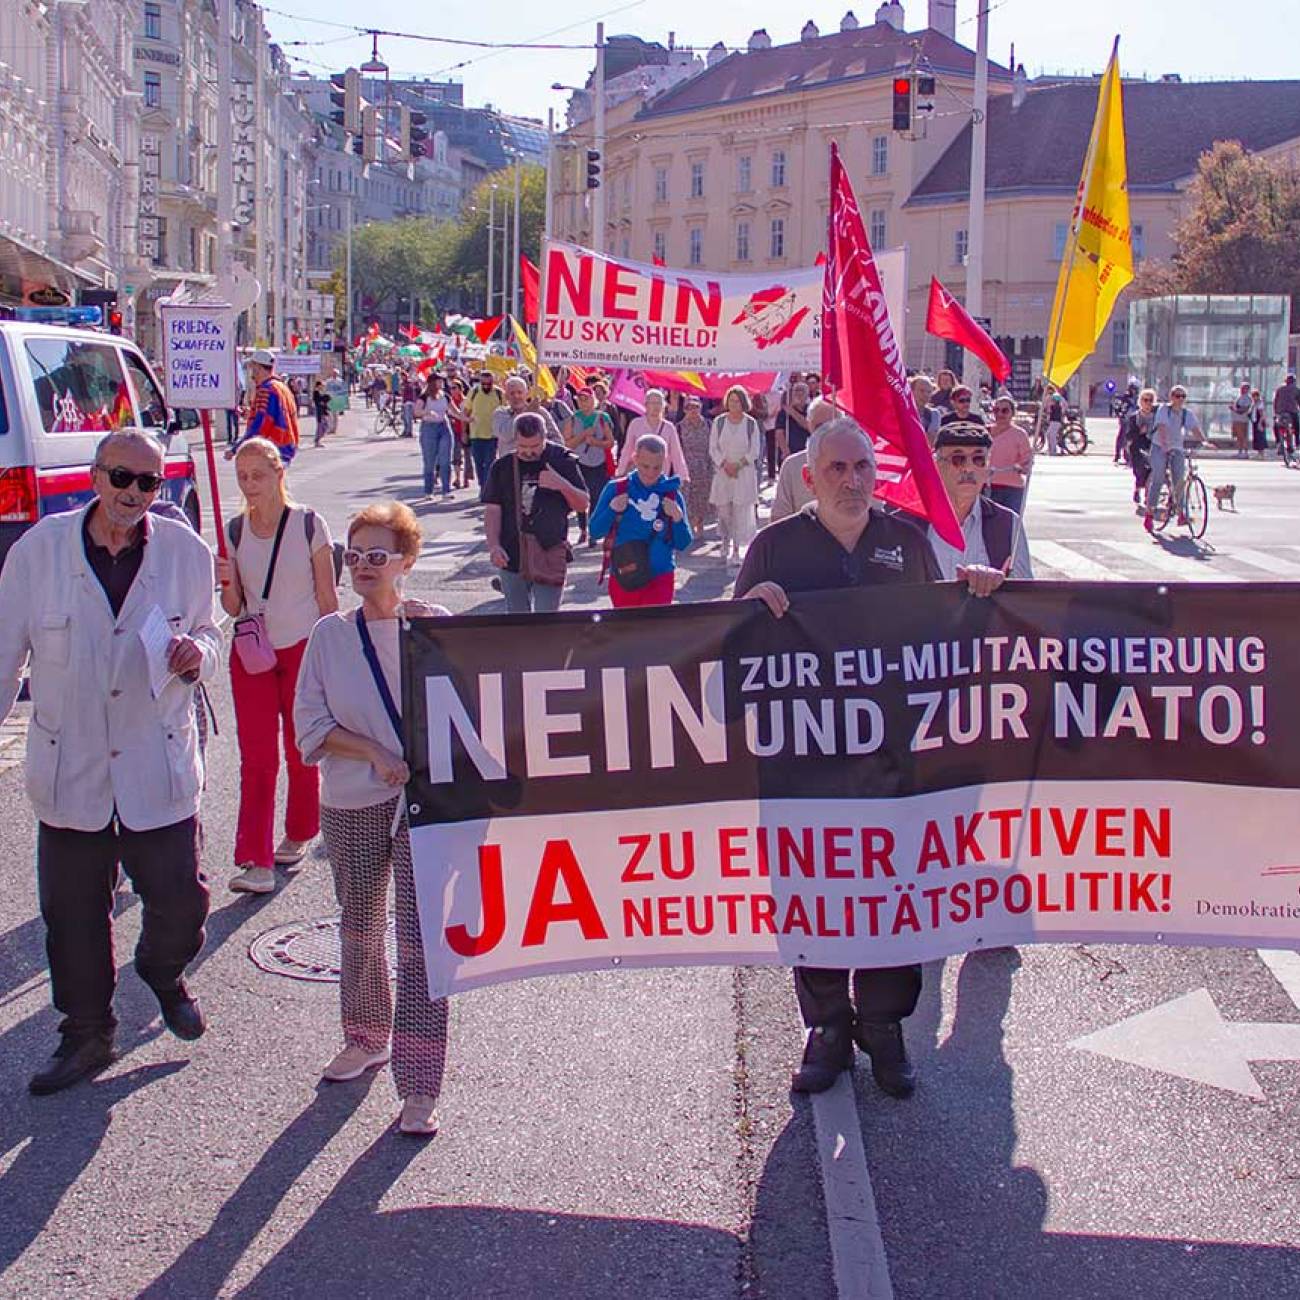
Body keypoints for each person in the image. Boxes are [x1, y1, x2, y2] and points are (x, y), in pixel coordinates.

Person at [736, 417, 1009, 1099]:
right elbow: (726, 656)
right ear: (809, 476)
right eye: (837, 469)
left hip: (893, 767)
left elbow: (943, 645)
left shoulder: (906, 543)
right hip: (805, 770)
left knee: (895, 896)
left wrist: (975, 594)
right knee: (815, 897)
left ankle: (883, 1027)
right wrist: (745, 612)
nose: (852, 481)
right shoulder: (774, 547)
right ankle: (827, 1027)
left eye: (863, 468)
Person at [0, 430, 220, 1094]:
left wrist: (200, 656)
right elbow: (3, 654)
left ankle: (160, 967)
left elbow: (210, 631)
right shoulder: (40, 552)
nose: (132, 494)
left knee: (181, 900)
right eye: (121, 477)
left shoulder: (186, 552)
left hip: (157, 759)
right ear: (96, 476)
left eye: (147, 484)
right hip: (72, 767)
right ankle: (86, 1034)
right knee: (72, 918)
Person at [294, 501, 449, 1137]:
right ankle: (365, 1035)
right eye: (352, 555)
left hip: (423, 806)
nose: (361, 566)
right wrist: (370, 751)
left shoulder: (436, 627)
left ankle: (420, 1083)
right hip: (351, 801)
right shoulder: (330, 635)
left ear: (406, 562)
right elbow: (310, 724)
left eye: (376, 555)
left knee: (420, 945)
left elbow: (475, 709)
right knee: (360, 926)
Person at [219, 438, 339, 894]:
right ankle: (256, 858)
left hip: (303, 647)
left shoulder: (309, 524)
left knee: (300, 746)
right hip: (253, 651)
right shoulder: (234, 530)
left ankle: (301, 829)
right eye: (243, 477)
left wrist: (334, 657)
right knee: (257, 755)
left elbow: (327, 599)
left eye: (258, 475)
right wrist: (225, 581)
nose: (250, 485)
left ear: (278, 474)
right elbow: (234, 607)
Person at [483, 412, 589, 613]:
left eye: (535, 447)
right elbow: (492, 510)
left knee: (546, 620)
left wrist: (561, 484)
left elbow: (583, 504)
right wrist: (494, 546)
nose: (529, 452)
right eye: (523, 447)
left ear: (544, 438)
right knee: (518, 620)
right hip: (512, 552)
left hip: (549, 550)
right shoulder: (502, 467)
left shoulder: (562, 460)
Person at [589, 432, 693, 607]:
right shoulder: (617, 488)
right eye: (645, 466)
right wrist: (612, 510)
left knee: (654, 632)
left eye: (657, 467)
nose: (651, 473)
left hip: (661, 576)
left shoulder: (671, 493)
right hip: (626, 574)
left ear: (665, 461)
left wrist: (678, 519)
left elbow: (683, 543)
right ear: (635, 458)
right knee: (626, 632)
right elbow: (595, 531)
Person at [928, 426, 1033, 580]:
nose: (969, 468)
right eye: (958, 459)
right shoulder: (910, 523)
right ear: (937, 465)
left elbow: (1023, 595)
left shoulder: (1008, 523)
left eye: (978, 459)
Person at [709, 385, 763, 569]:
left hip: (743, 473)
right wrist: (724, 464)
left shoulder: (750, 424)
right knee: (724, 511)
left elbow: (754, 450)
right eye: (731, 401)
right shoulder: (719, 422)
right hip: (723, 472)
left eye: (737, 401)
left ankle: (736, 549)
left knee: (740, 512)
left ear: (743, 403)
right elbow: (713, 447)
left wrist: (738, 465)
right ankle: (725, 538)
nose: (734, 404)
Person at [1144, 385, 1204, 533]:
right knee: (1158, 478)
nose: (1180, 399)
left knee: (1179, 480)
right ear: (1171, 397)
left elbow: (1195, 428)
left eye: (1183, 396)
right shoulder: (1164, 410)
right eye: (1177, 396)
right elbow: (1163, 427)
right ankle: (1150, 513)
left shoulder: (1186, 414)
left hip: (1176, 447)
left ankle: (1181, 513)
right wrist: (1165, 445)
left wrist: (1204, 441)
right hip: (1160, 446)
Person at [227, 349, 300, 464]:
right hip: (285, 447)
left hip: (271, 449)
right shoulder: (281, 387)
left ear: (258, 368)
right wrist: (251, 413)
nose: (251, 371)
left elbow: (260, 425)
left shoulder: (266, 390)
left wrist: (236, 448)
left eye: (252, 367)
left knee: (256, 481)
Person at [564, 386, 616, 546]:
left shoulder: (602, 418)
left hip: (599, 464)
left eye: (587, 399)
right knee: (580, 496)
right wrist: (583, 435)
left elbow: (610, 441)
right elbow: (568, 444)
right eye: (581, 399)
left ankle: (593, 531)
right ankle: (583, 529)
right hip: (580, 463)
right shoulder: (572, 419)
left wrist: (596, 442)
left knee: (596, 497)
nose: (584, 402)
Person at [770, 396, 836, 522]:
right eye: (819, 426)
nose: (825, 431)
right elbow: (778, 519)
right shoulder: (792, 466)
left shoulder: (857, 466)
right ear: (809, 425)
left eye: (831, 425)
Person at [617, 387, 691, 481]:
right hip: (639, 475)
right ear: (646, 405)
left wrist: (682, 476)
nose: (656, 407)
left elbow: (676, 454)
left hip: (661, 476)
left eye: (659, 403)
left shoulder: (669, 427)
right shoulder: (635, 424)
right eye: (653, 403)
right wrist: (620, 472)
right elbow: (627, 450)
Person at [415, 374, 461, 500]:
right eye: (438, 382)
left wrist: (467, 418)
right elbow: (416, 412)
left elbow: (455, 412)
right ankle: (428, 491)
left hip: (444, 426)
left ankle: (446, 491)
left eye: (442, 381)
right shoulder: (424, 397)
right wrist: (427, 412)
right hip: (429, 428)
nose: (441, 384)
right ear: (432, 383)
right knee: (430, 462)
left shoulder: (445, 396)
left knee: (445, 460)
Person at [986, 397, 1034, 516]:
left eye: (1005, 411)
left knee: (1010, 524)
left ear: (1012, 413)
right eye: (996, 410)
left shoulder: (1020, 434)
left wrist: (1022, 467)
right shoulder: (984, 432)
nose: (1000, 414)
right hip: (987, 486)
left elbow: (1027, 460)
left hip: (1012, 488)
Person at [678, 394, 714, 539]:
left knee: (703, 498)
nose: (693, 411)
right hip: (687, 467)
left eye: (696, 407)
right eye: (689, 408)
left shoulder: (709, 425)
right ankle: (690, 526)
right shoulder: (679, 427)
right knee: (689, 498)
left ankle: (700, 525)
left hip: (705, 466)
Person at [467, 370, 505, 496]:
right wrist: (464, 430)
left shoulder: (499, 393)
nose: (486, 387)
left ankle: (486, 490)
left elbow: (506, 412)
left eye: (489, 384)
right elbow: (466, 411)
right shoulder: (474, 392)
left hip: (492, 435)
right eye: (483, 384)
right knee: (478, 463)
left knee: (490, 464)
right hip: (476, 434)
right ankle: (482, 486)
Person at [1123, 388, 1158, 509]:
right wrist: (1139, 431)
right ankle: (1137, 489)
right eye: (1145, 400)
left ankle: (1149, 497)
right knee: (1140, 471)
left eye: (1150, 400)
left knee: (1152, 471)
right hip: (1138, 447)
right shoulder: (1134, 417)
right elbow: (1128, 435)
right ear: (1140, 401)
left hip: (1152, 445)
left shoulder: (1157, 416)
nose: (1148, 403)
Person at [777, 381, 812, 457]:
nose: (799, 394)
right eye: (796, 391)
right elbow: (779, 433)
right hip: (790, 452)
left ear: (807, 394)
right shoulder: (784, 412)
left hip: (807, 451)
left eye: (802, 391)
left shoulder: (811, 410)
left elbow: (808, 426)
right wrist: (786, 452)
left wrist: (793, 412)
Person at [1229, 382, 1253, 459]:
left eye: (1244, 388)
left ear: (1247, 389)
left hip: (1242, 420)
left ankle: (1245, 452)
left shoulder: (1247, 398)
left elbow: (1244, 409)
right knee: (1238, 437)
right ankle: (1240, 451)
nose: (1242, 389)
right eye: (1241, 388)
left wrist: (1234, 409)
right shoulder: (1240, 397)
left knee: (1242, 436)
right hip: (1236, 419)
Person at [312, 380, 331, 448]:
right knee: (320, 427)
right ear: (319, 385)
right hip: (320, 412)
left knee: (326, 426)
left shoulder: (322, 392)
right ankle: (317, 441)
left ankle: (319, 439)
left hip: (324, 411)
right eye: (322, 385)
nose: (323, 387)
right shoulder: (316, 393)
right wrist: (323, 399)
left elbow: (327, 398)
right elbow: (319, 401)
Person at [1251, 388, 1268, 458]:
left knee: (1260, 438)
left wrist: (1260, 423)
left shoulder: (1260, 403)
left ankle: (1262, 454)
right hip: (1255, 422)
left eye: (1255, 396)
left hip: (1259, 422)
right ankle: (1259, 453)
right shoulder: (1254, 403)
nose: (1254, 397)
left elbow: (1262, 414)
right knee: (1257, 438)